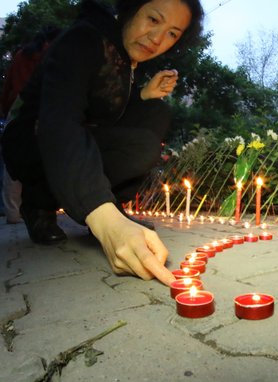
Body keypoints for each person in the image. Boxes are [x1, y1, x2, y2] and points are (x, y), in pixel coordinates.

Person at [1, 0, 204, 286]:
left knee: (156, 113)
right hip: (32, 140)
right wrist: (104, 221)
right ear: (131, 9)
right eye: (153, 19)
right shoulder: (84, 39)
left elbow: (106, 120)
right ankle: (38, 204)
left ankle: (111, 203)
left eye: (172, 33)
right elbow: (60, 120)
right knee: (126, 145)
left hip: (79, 137)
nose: (157, 39)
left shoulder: (125, 60)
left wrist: (143, 94)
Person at [1, 26, 62, 224]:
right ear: (49, 42)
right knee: (37, 158)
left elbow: (8, 83)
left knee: (13, 161)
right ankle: (37, 208)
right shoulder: (49, 57)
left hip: (16, 109)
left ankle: (12, 212)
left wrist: (5, 109)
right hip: (36, 109)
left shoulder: (21, 55)